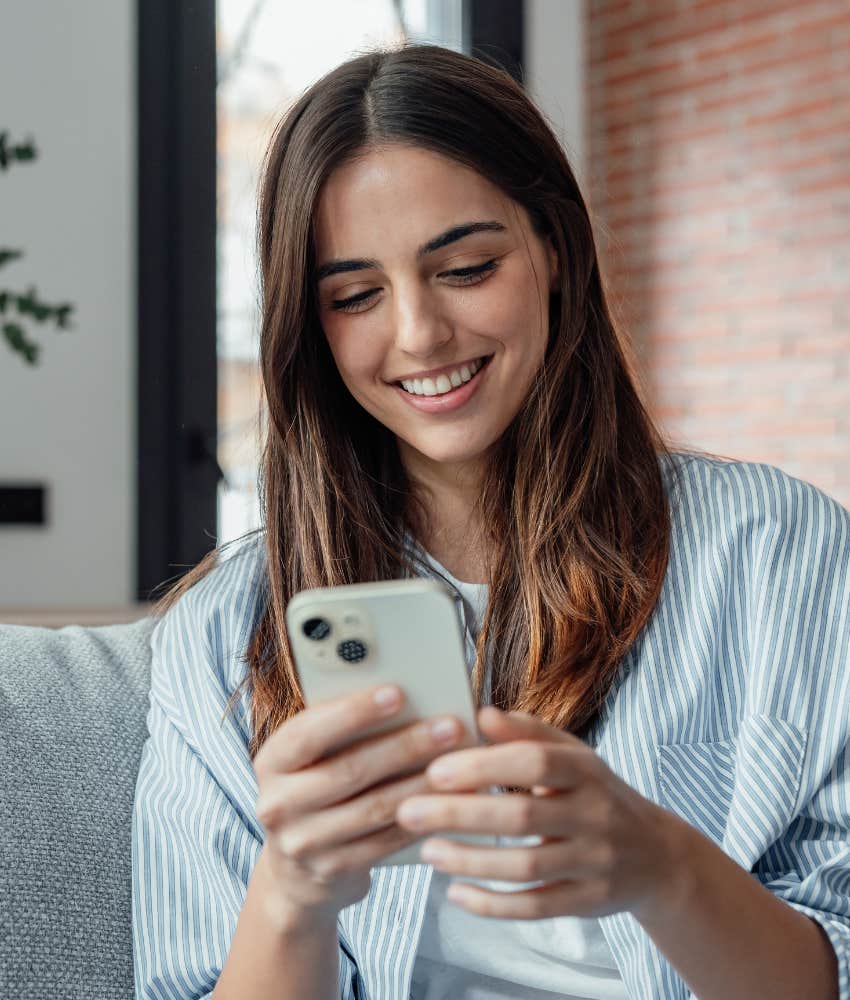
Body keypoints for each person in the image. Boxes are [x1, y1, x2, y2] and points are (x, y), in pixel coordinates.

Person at [131, 43, 850, 1000]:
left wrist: (660, 865)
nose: (420, 334)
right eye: (355, 296)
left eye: (466, 267)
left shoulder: (777, 554)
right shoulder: (224, 636)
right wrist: (292, 894)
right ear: (310, 326)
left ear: (554, 248)